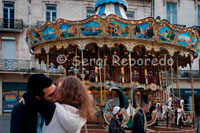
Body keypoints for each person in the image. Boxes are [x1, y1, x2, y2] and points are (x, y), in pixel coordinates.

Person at [23, 75, 94, 133]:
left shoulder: (53, 109)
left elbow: (30, 98)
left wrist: (25, 97)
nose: (56, 94)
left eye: (58, 90)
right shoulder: (81, 113)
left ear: (65, 93)